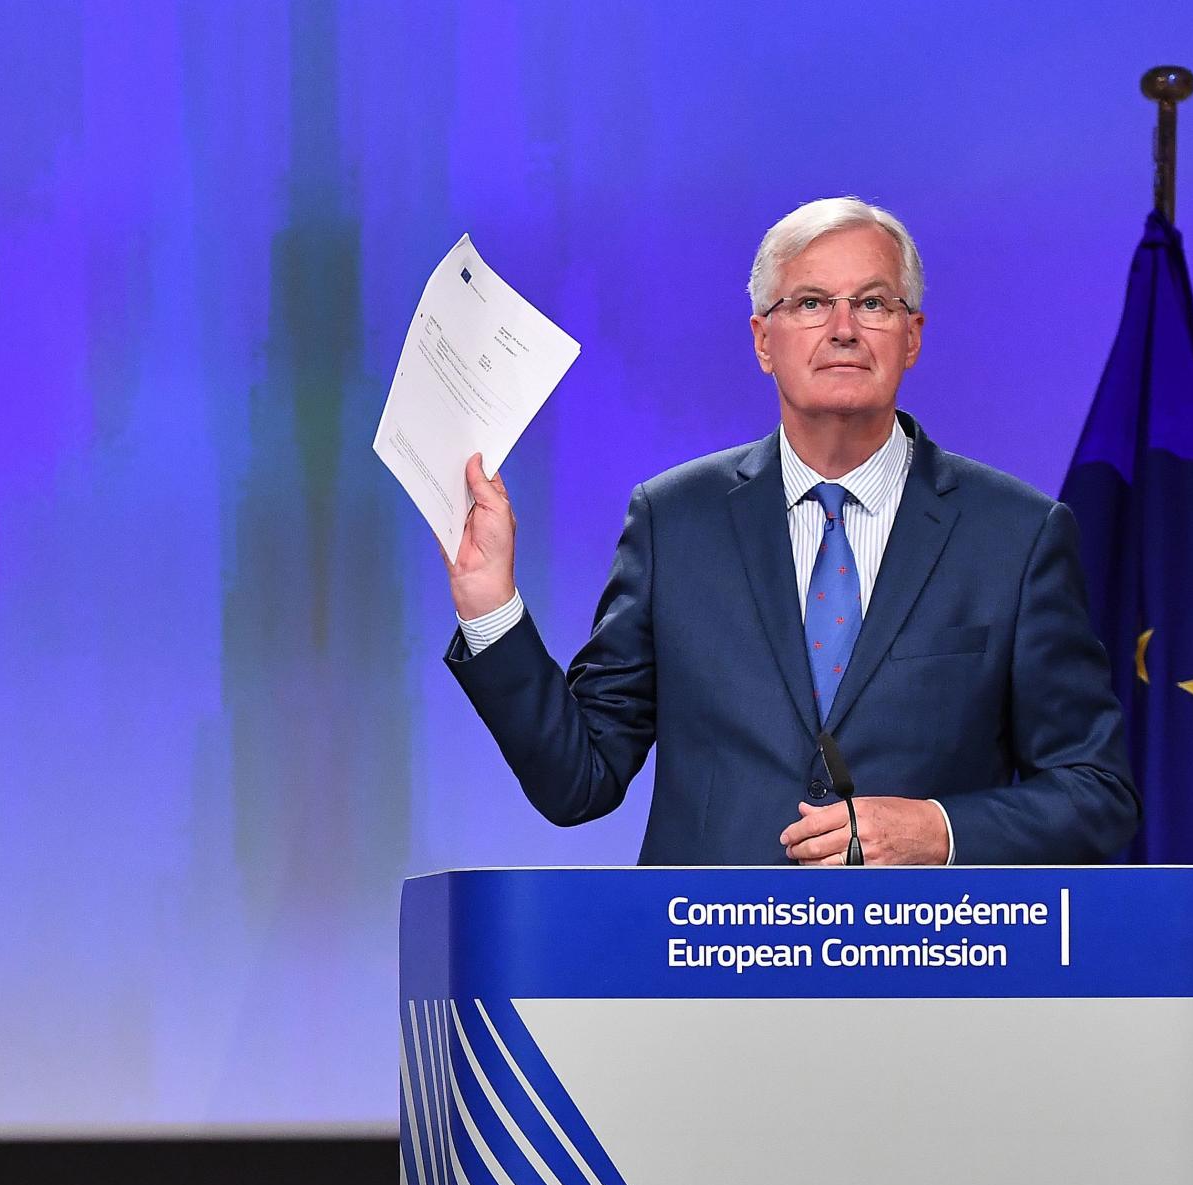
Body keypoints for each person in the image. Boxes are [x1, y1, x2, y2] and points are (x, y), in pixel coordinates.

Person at [436, 197, 1136, 867]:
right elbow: (577, 781)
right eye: (809, 303)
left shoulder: (1016, 535)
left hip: (921, 946)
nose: (843, 329)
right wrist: (490, 607)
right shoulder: (673, 522)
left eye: (873, 303)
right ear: (762, 340)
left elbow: (1097, 792)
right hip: (705, 947)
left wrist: (939, 830)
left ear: (913, 337)